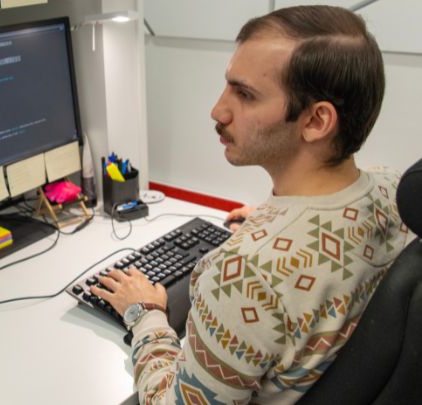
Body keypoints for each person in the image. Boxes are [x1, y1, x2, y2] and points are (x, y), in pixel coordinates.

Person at [90, 5, 409, 404]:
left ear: (316, 121)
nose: (218, 110)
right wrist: (275, 225)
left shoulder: (244, 277)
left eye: (245, 94)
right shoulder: (395, 193)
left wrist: (146, 315)